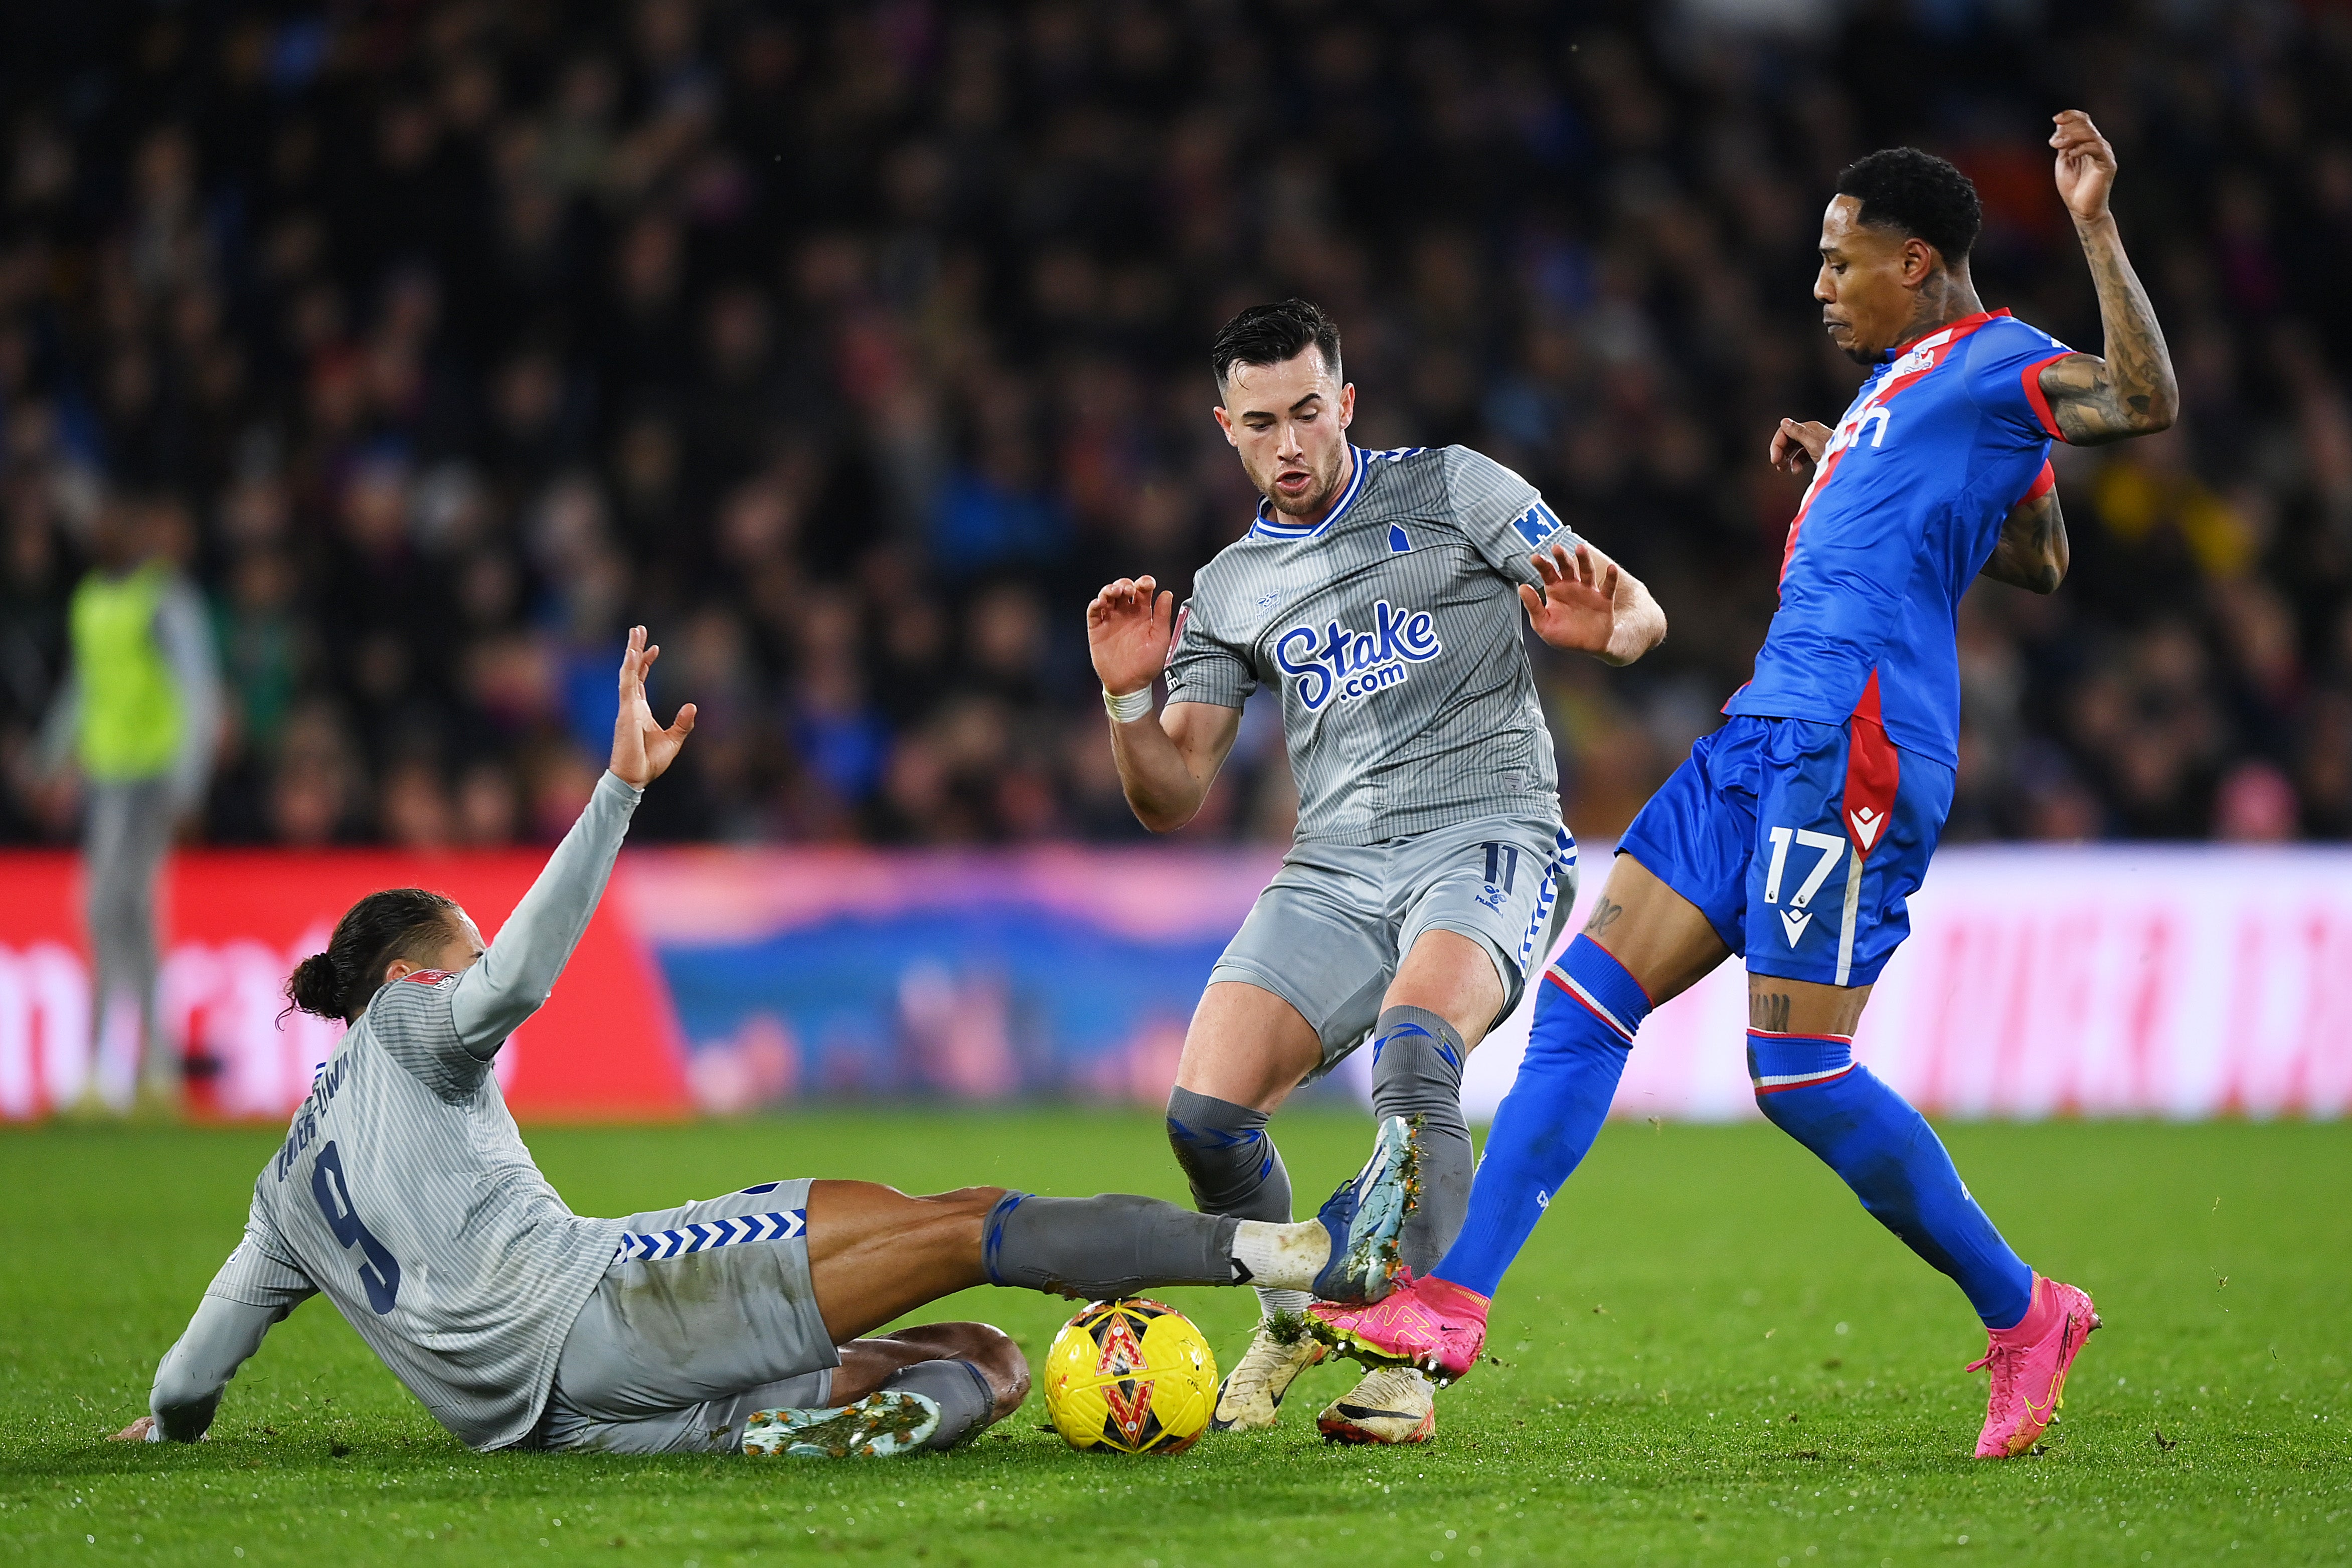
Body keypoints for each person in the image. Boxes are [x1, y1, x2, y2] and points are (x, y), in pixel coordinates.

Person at [1312, 113, 2177, 1462]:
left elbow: (2142, 399)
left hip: (1860, 744)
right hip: (1764, 726)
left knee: (1799, 1071)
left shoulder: (2000, 354)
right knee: (1589, 995)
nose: (1819, 286)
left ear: (1919, 261)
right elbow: (2038, 552)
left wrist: (2092, 222)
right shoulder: (1909, 389)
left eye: (1840, 264)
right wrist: (1857, 449)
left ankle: (2028, 1311)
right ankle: (1449, 1303)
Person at [111, 629, 1419, 1458]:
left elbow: (194, 1365)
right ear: (409, 972)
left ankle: (798, 1429)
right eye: (457, 942)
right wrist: (620, 790)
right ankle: (1277, 1246)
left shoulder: (286, 1185)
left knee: (982, 1356)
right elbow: (510, 977)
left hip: (556, 1430)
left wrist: (163, 1423)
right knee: (967, 1216)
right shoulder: (412, 1018)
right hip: (607, 1304)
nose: (470, 967)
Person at [1085, 300, 1667, 1443]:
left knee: (1417, 1051)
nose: (1291, 444)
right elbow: (1172, 790)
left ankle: (1407, 1356)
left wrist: (1619, 633)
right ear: (1226, 429)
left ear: (1345, 401)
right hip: (1336, 869)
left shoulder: (1454, 487)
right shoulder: (1233, 584)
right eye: (1263, 423)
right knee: (1205, 1116)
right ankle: (1294, 1316)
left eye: (1310, 412)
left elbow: (1637, 604)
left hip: (1489, 835)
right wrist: (1126, 699)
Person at [38, 493, 222, 1115]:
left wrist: (189, 784)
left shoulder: (161, 600)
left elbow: (197, 692)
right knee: (128, 916)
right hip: (107, 779)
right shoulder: (92, 602)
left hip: (147, 781)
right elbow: (85, 688)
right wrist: (50, 757)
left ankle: (109, 1066)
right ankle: (153, 1068)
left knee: (105, 908)